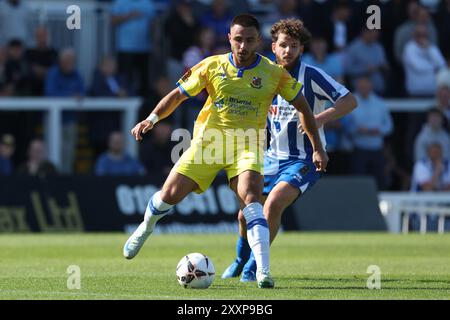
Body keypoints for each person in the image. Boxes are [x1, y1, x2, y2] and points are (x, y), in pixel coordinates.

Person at [122, 14, 328, 289]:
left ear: (259, 41)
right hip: (208, 144)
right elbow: (178, 95)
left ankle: (263, 271)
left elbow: (304, 108)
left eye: (250, 40)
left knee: (253, 200)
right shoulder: (211, 66)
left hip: (248, 145)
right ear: (229, 39)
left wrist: (317, 147)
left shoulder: (274, 73)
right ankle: (145, 228)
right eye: (238, 40)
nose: (243, 46)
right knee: (167, 197)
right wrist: (152, 119)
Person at [221, 18, 357, 282]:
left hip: (304, 158)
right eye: (283, 45)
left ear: (301, 49)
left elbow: (350, 100)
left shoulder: (312, 76)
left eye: (294, 46)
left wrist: (321, 119)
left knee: (272, 206)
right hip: (271, 158)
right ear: (273, 47)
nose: (288, 51)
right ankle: (239, 259)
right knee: (244, 215)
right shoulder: (263, 75)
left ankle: (253, 267)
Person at [348, 76, 393, 190]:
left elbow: (389, 126)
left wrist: (379, 130)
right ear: (357, 86)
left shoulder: (380, 104)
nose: (363, 88)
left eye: (366, 86)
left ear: (371, 86)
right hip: (359, 149)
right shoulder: (349, 102)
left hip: (377, 149)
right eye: (361, 86)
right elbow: (346, 126)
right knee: (358, 183)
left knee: (379, 181)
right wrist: (356, 130)